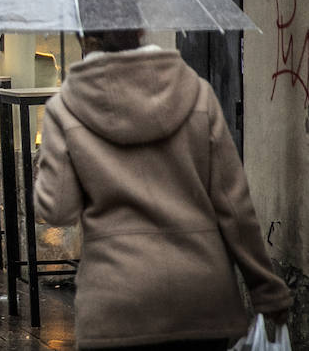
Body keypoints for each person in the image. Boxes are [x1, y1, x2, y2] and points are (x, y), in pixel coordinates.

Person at [34, 24, 291, 350]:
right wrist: (266, 290)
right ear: (140, 31)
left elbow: (56, 209)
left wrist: (54, 154)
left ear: (84, 39)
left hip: (116, 305)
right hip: (199, 301)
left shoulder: (65, 108)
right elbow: (234, 206)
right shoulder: (197, 92)